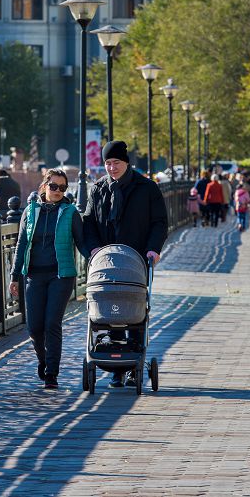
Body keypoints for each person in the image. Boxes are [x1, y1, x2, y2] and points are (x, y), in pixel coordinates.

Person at [83, 140, 168, 387]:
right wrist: (94, 249)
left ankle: (133, 363)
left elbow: (159, 222)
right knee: (110, 307)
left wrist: (153, 249)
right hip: (107, 261)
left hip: (137, 259)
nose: (111, 168)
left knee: (135, 307)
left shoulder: (147, 188)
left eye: (116, 163)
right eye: (107, 163)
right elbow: (88, 222)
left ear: (126, 163)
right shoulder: (98, 188)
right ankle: (116, 368)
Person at [8, 169, 86, 389]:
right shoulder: (30, 211)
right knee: (34, 327)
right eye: (54, 186)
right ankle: (43, 361)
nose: (58, 191)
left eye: (62, 188)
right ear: (44, 186)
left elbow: (81, 243)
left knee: (52, 323)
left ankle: (52, 373)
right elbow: (21, 244)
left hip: (61, 276)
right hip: (34, 275)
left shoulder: (70, 212)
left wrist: (98, 258)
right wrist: (14, 276)